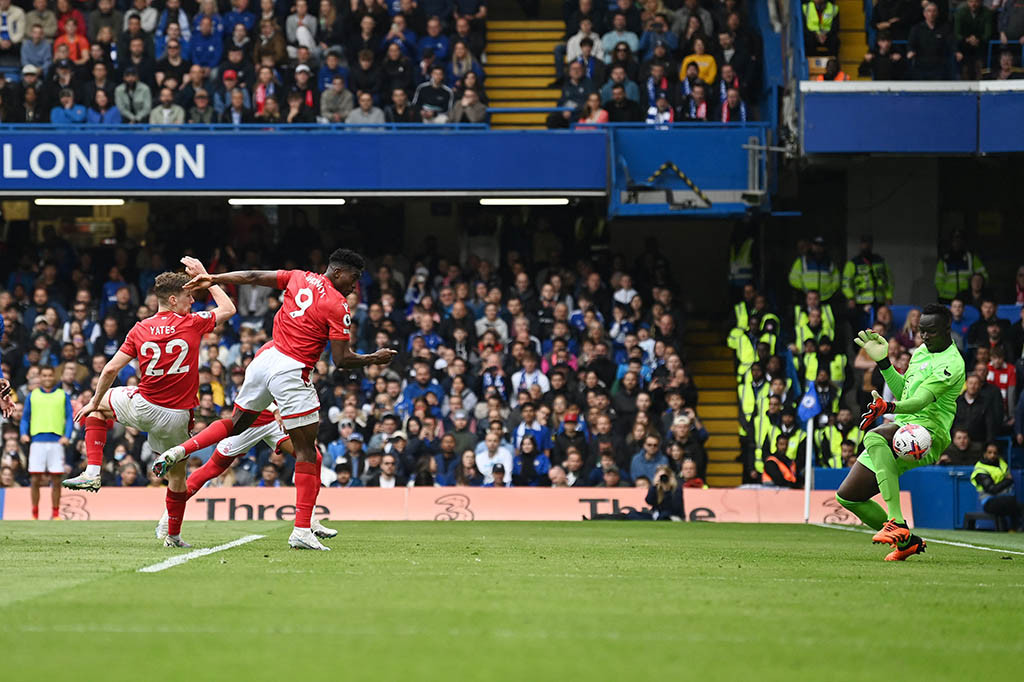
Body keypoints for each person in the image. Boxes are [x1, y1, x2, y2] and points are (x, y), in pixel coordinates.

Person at [152, 249, 397, 551]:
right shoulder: (337, 304)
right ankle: (301, 529)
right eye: (354, 278)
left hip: (266, 361)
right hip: (290, 373)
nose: (354, 285)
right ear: (337, 272)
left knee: (242, 426)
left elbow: (253, 276)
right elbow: (342, 359)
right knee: (305, 452)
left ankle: (182, 449)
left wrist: (214, 278)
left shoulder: (298, 277)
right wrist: (375, 358)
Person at [65, 260, 236, 548]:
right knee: (178, 478)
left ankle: (93, 471)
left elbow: (109, 370)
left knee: (99, 407)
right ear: (173, 299)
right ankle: (174, 535)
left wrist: (94, 402)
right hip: (177, 417)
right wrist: (208, 279)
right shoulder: (192, 323)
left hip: (144, 407)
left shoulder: (139, 329)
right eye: (188, 296)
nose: (193, 301)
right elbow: (229, 309)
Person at [837, 304, 965, 561]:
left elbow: (920, 402)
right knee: (849, 497)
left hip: (928, 431)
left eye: (931, 331)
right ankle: (906, 542)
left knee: (873, 436)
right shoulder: (919, 353)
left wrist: (889, 407)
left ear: (947, 329)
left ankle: (896, 521)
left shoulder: (952, 364)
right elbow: (904, 390)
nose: (925, 337)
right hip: (903, 424)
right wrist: (884, 362)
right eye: (921, 331)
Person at [157, 405, 295, 537]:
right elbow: (258, 388)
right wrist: (275, 409)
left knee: (309, 457)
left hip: (275, 423)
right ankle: (168, 516)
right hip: (249, 423)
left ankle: (306, 524)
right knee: (210, 470)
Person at [20, 366, 72, 520]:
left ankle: (55, 514)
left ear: (54, 377)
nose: (48, 378)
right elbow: (24, 417)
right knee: (35, 479)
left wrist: (67, 435)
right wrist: (23, 433)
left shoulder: (62, 395)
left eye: (50, 375)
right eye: (44, 376)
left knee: (56, 480)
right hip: (37, 441)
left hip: (56, 442)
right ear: (40, 377)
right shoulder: (32, 395)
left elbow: (69, 417)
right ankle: (34, 514)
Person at [970, 442, 1022, 530]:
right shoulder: (981, 469)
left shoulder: (1002, 463)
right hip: (989, 500)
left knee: (1017, 506)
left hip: (1006, 496)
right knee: (1011, 503)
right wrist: (1007, 481)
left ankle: (1015, 530)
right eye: (989, 452)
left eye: (995, 453)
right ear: (984, 454)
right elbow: (992, 489)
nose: (992, 455)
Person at [935, 229, 987, 304]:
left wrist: (976, 292)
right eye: (954, 240)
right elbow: (938, 280)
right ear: (950, 242)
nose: (956, 243)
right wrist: (943, 292)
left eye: (959, 240)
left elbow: (983, 276)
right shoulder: (944, 259)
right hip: (947, 298)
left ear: (963, 242)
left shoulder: (971, 258)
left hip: (967, 297)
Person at [788, 235, 840, 302]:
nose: (818, 247)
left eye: (821, 245)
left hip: (826, 298)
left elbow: (836, 279)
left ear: (824, 247)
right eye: (816, 245)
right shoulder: (802, 261)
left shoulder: (829, 262)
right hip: (807, 298)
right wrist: (804, 289)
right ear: (811, 245)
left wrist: (830, 290)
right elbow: (793, 278)